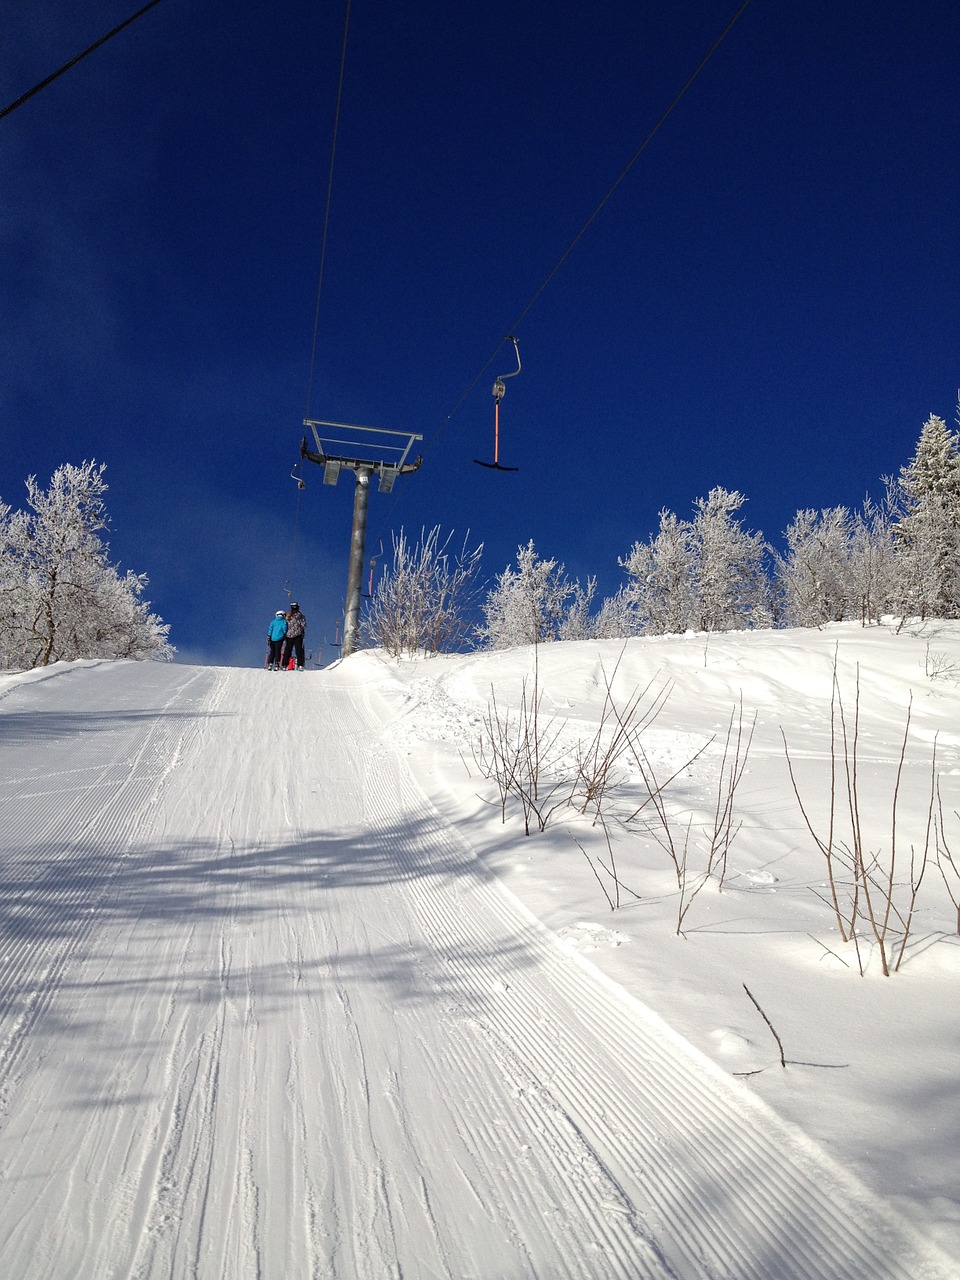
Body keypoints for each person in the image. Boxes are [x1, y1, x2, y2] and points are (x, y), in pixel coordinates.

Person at [282, 602, 307, 670]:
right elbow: (303, 624)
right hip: (298, 635)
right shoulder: (300, 615)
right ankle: (300, 665)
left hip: (289, 635)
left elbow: (285, 625)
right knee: (299, 650)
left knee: (288, 650)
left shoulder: (288, 615)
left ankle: (284, 665)